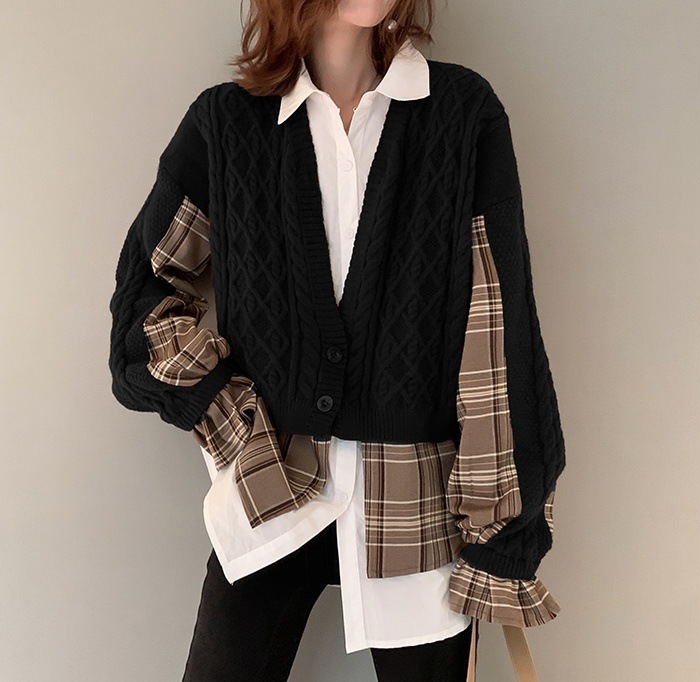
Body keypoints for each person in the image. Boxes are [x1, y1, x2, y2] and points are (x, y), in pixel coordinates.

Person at [108, 0, 567, 680]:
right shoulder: (226, 123)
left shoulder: (461, 113)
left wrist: (502, 528)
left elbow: (498, 331)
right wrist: (231, 419)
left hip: (417, 516)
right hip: (270, 493)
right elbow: (144, 301)